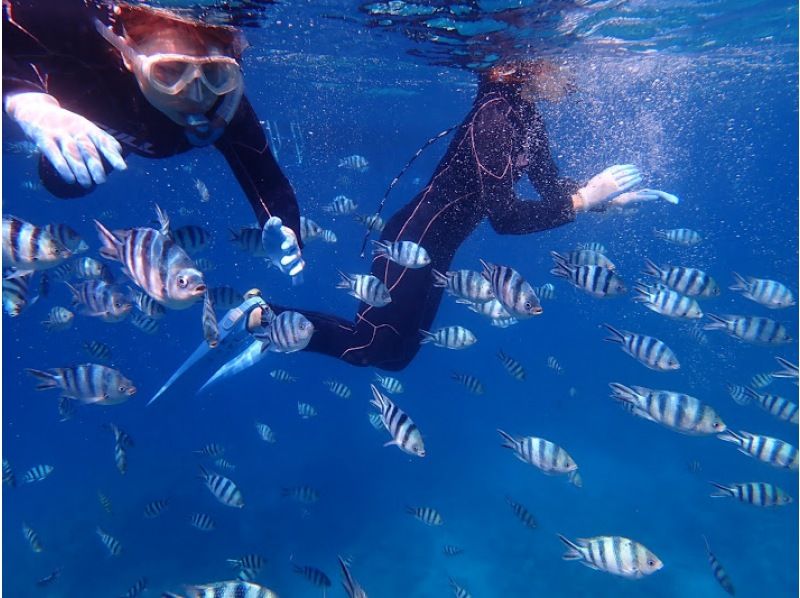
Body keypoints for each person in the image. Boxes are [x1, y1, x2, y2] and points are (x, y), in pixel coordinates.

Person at [150, 57, 678, 402]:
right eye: (565, 62)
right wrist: (585, 201)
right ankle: (263, 317)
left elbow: (550, 187)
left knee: (397, 357)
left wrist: (605, 200)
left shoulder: (527, 120)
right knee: (370, 344)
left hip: (436, 253)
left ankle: (269, 323)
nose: (575, 74)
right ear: (527, 64)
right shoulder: (495, 116)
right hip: (414, 243)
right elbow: (506, 217)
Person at [3, 0, 303, 278]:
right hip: (86, 119)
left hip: (122, 138)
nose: (195, 95)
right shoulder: (77, 29)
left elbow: (268, 181)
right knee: (62, 180)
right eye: (169, 71)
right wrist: (23, 100)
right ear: (127, 54)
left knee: (67, 180)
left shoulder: (224, 105)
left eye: (215, 73)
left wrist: (286, 231)